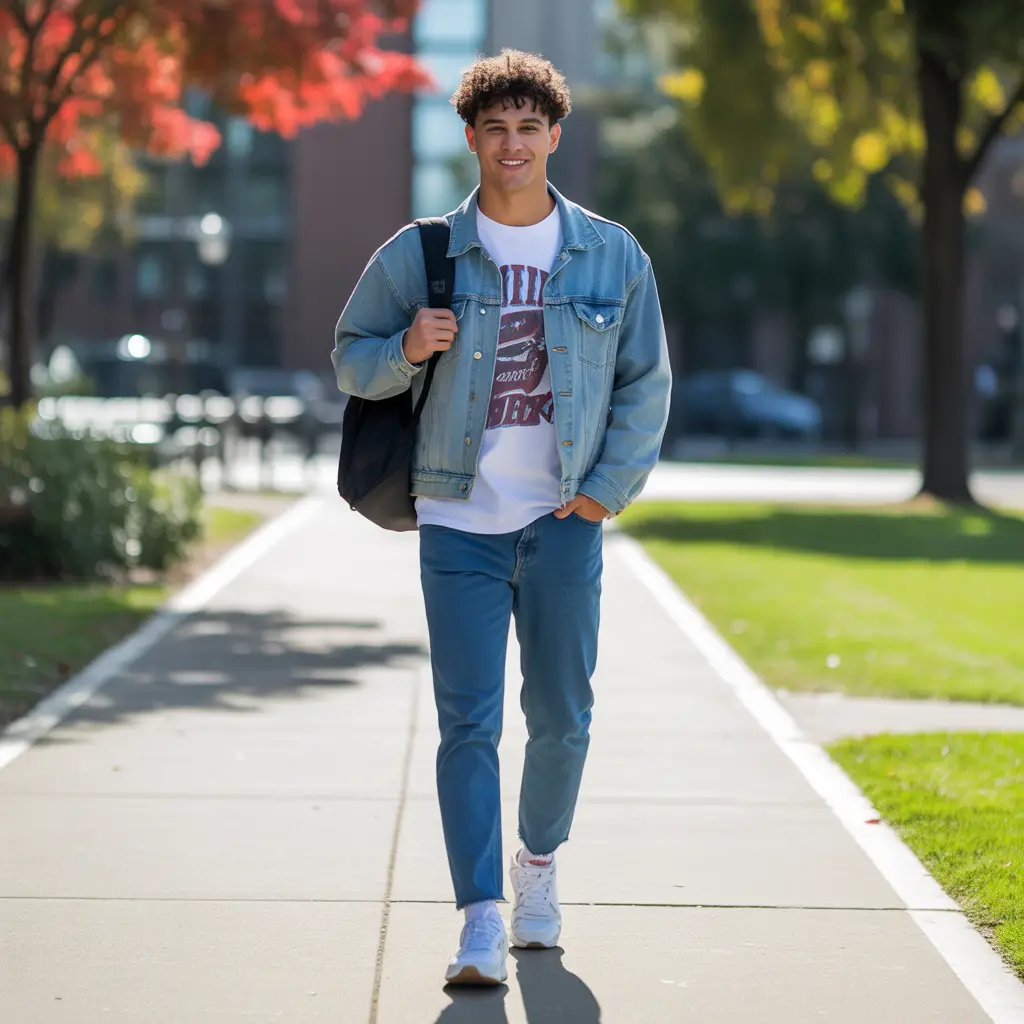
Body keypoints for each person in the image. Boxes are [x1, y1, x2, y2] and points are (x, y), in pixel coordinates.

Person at [332, 50, 671, 987]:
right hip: (458, 521)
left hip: (565, 519)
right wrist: (404, 345)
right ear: (472, 138)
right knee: (467, 724)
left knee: (562, 719)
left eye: (530, 128)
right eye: (495, 128)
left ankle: (537, 870)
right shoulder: (422, 253)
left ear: (554, 136)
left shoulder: (612, 253)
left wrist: (605, 490)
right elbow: (350, 361)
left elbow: (647, 384)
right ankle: (480, 916)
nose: (513, 144)